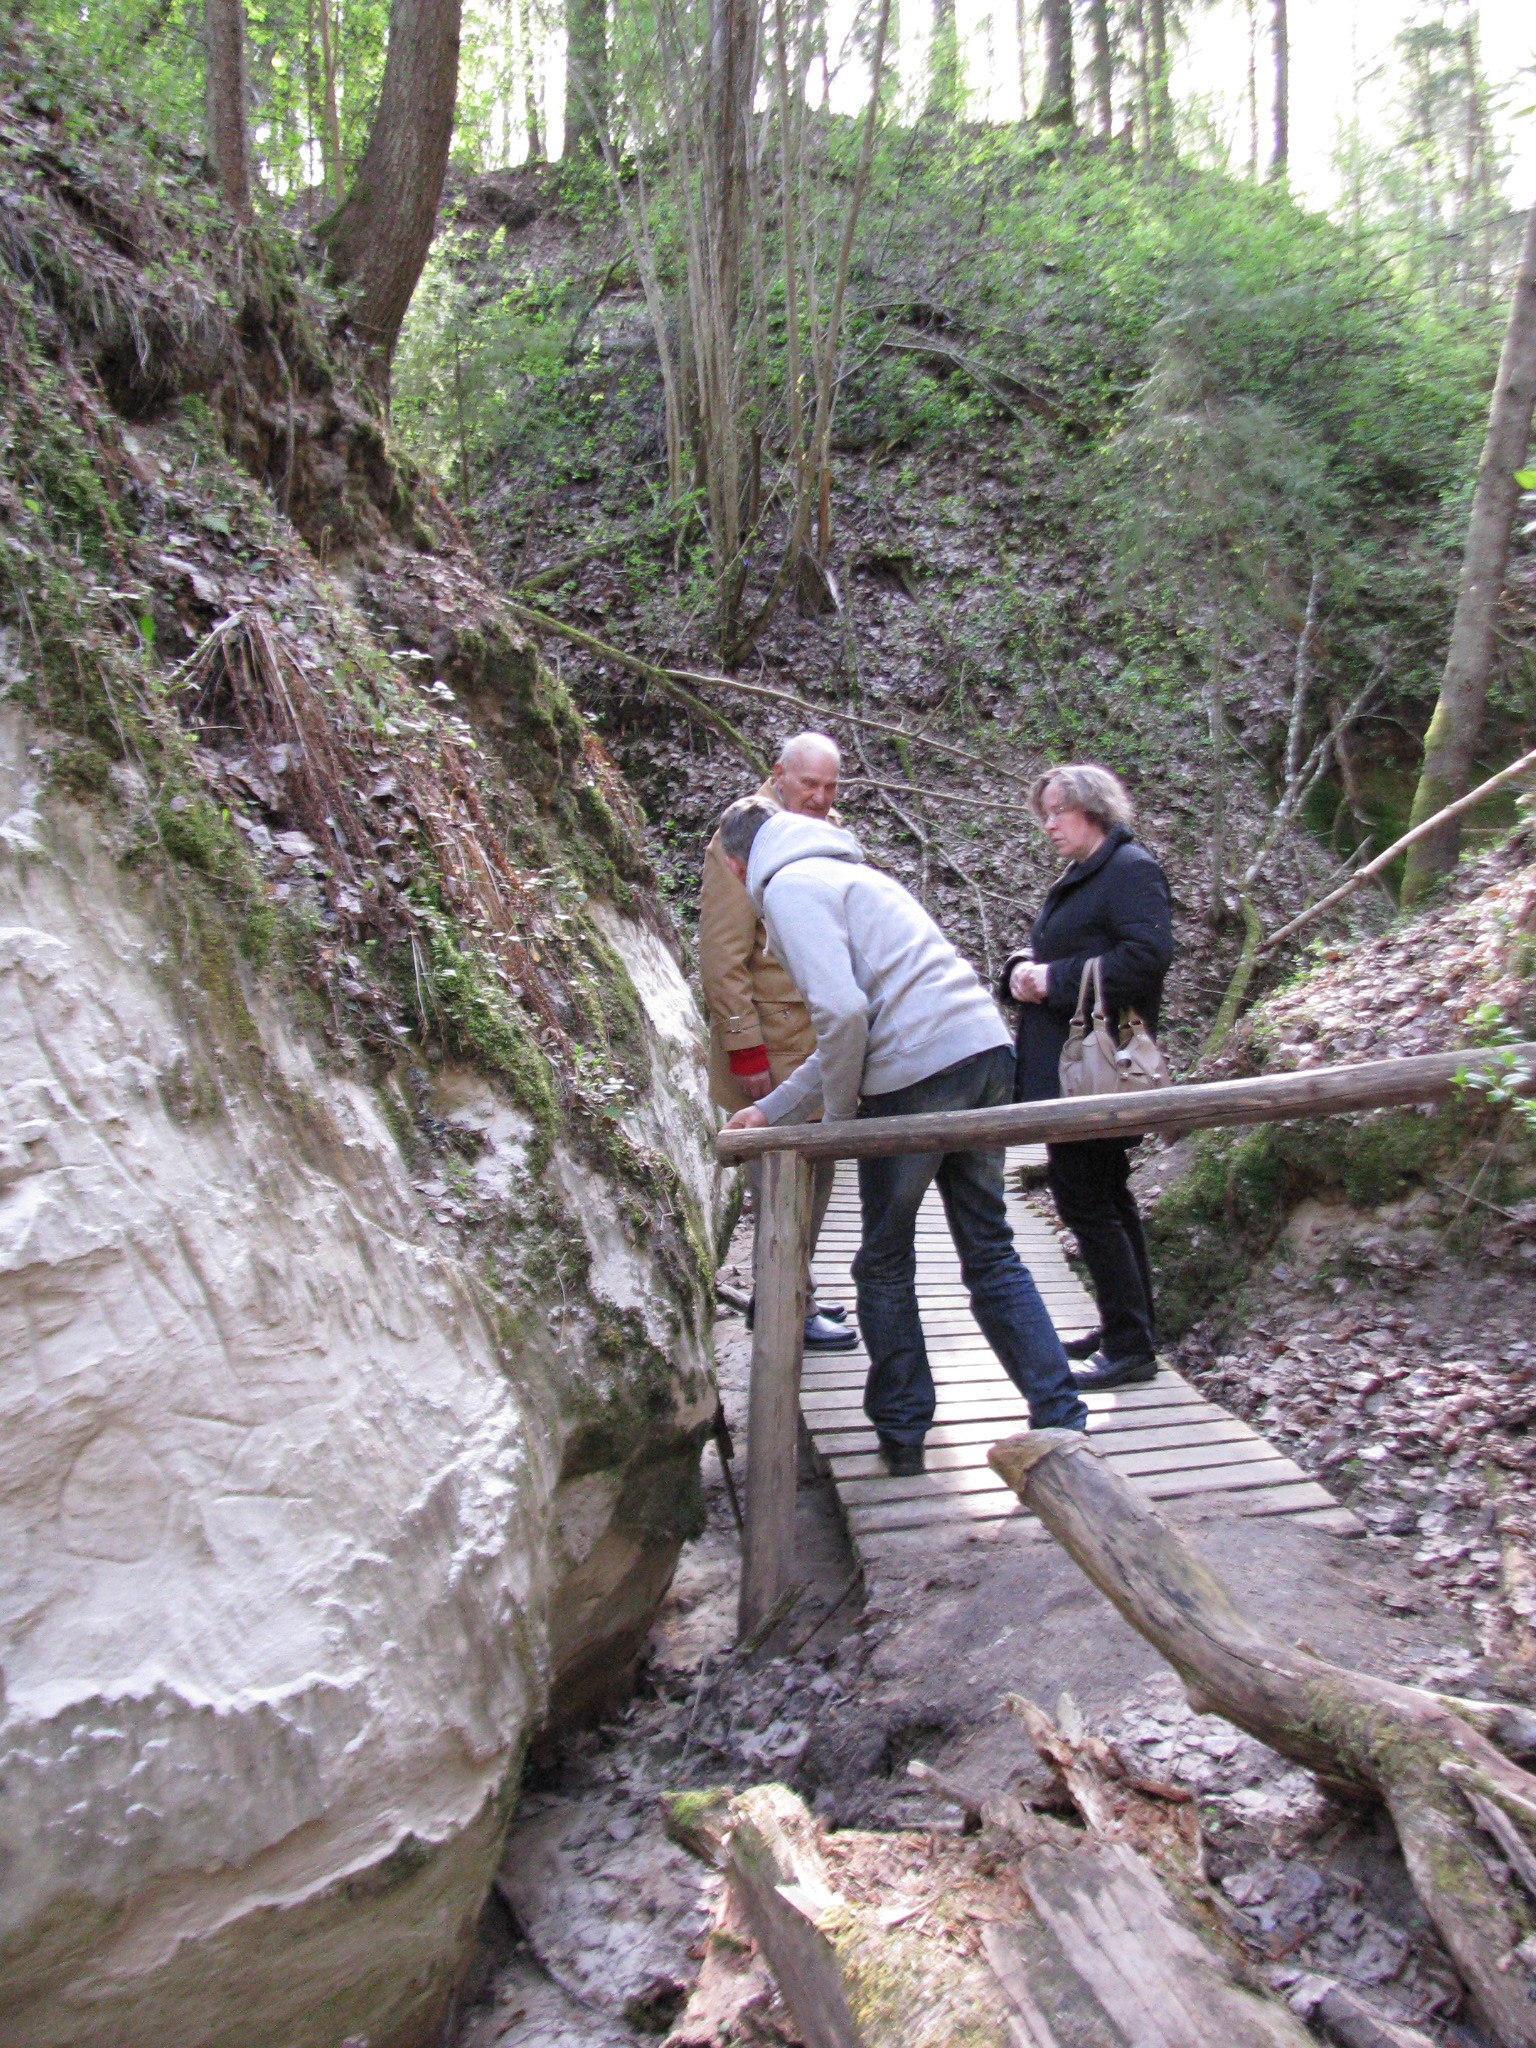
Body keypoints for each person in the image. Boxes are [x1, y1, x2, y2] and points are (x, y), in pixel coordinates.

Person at [720, 803, 1087, 1473]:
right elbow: (855, 1021)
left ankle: (903, 1431)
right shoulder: (856, 875)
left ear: (738, 865)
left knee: (883, 1260)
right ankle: (1061, 1414)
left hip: (916, 1074)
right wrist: (773, 1110)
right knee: (990, 1248)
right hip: (982, 1050)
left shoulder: (789, 887)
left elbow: (842, 1014)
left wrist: (837, 1126)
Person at [1001, 764, 1173, 1392]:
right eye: (1043, 814)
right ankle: (1129, 1328)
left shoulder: (1130, 869)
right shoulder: (1086, 872)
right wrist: (1022, 969)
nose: (1048, 825)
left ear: (1093, 809)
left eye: (1059, 812)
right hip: (1073, 1069)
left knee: (1086, 1199)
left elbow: (1146, 959)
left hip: (1095, 1072)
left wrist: (1054, 978)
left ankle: (1130, 1344)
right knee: (1105, 1195)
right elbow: (1065, 950)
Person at [699, 734, 856, 1352]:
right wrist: (745, 1051)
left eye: (830, 786)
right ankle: (786, 1307)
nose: (820, 797)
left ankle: (793, 1292)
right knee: (781, 1190)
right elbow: (723, 955)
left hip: (819, 1040)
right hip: (772, 1046)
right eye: (809, 784)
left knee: (817, 1181)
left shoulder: (828, 830)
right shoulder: (743, 835)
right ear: (780, 775)